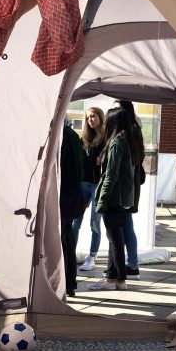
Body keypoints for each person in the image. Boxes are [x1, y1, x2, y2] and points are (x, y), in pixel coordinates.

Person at [87, 107, 136, 291]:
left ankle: (119, 279)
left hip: (114, 199)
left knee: (114, 239)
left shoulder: (116, 143)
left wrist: (102, 200)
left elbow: (111, 175)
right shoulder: (127, 140)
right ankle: (111, 277)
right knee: (115, 238)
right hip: (123, 199)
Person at [111, 99, 146, 278]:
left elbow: (137, 157)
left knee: (125, 225)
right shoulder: (130, 131)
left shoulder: (130, 131)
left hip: (127, 185)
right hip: (129, 184)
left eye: (117, 109)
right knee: (126, 224)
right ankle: (129, 263)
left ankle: (131, 263)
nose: (113, 112)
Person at [74, 107, 105, 272]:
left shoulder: (105, 139)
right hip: (82, 184)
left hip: (98, 185)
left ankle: (91, 257)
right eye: (87, 118)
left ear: (100, 117)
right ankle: (69, 253)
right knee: (75, 222)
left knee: (95, 223)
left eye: (93, 117)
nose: (90, 120)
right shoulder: (83, 139)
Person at [59, 121, 86, 297]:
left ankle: (64, 283)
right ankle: (69, 284)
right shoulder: (72, 135)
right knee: (67, 240)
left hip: (63, 194)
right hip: (72, 194)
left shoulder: (62, 136)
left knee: (62, 240)